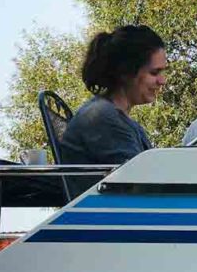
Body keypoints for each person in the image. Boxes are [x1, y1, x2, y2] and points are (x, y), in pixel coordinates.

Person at [60, 25, 167, 196]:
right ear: (126, 73)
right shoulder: (101, 117)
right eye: (154, 72)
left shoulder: (121, 119)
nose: (162, 81)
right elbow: (141, 185)